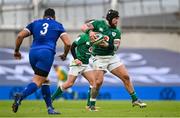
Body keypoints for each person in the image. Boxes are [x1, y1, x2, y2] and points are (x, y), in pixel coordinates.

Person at [81, 9, 147, 108]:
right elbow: (84, 26)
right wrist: (90, 32)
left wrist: (106, 44)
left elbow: (115, 48)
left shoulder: (117, 32)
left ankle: (135, 100)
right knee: (98, 82)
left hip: (111, 57)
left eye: (117, 19)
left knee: (126, 77)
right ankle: (92, 104)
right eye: (115, 19)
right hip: (98, 57)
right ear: (110, 18)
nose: (117, 21)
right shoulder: (99, 23)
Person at [12, 8, 71, 114]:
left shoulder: (35, 23)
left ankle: (50, 108)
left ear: (44, 16)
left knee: (44, 80)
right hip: (46, 53)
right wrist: (65, 54)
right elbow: (68, 43)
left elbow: (20, 36)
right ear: (54, 16)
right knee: (38, 81)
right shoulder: (57, 25)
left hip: (33, 54)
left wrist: (16, 51)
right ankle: (20, 96)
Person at [55, 32, 99, 111]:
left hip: (85, 65)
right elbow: (72, 47)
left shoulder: (94, 42)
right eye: (94, 33)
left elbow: (91, 52)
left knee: (94, 83)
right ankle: (50, 100)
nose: (95, 35)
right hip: (77, 64)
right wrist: (76, 59)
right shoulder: (83, 37)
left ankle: (90, 106)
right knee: (69, 84)